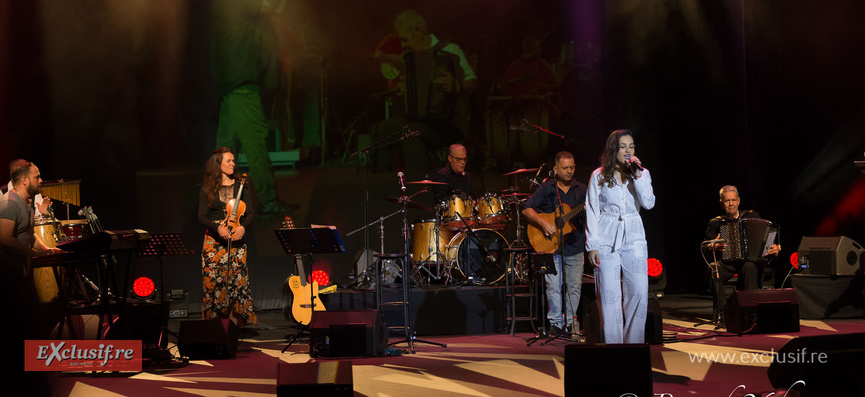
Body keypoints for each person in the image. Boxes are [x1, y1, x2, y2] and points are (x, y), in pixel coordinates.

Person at [211, 0, 294, 216]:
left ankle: (221, 201)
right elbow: (271, 5)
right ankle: (268, 199)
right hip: (241, 84)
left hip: (231, 82)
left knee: (226, 147)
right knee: (255, 140)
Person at [372, 9, 478, 175]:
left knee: (411, 132)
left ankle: (420, 187)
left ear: (418, 32)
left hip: (450, 123)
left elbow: (472, 83)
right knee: (381, 128)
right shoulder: (411, 59)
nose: (404, 45)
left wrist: (456, 85)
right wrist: (406, 91)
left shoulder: (450, 49)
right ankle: (380, 182)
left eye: (405, 39)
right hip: (422, 121)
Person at [586, 130, 655, 344]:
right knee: (609, 296)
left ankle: (633, 347)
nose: (628, 150)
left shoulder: (641, 174)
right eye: (623, 146)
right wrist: (592, 245)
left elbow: (649, 203)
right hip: (606, 238)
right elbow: (592, 209)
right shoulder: (598, 175)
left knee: (639, 293)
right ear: (613, 149)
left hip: (634, 238)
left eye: (632, 146)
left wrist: (638, 176)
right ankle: (613, 347)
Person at [0, 160, 61, 397]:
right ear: (24, 180)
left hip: (18, 274)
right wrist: (32, 254)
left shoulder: (26, 203)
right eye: (37, 177)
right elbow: (4, 238)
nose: (41, 180)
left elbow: (28, 234)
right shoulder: (9, 203)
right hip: (6, 277)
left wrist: (45, 249)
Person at [522, 151, 588, 337]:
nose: (569, 171)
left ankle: (570, 323)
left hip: (574, 245)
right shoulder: (547, 188)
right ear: (555, 169)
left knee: (574, 286)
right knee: (553, 286)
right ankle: (555, 323)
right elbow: (527, 209)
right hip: (550, 245)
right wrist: (544, 223)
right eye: (565, 168)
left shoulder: (582, 189)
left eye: (572, 167)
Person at [197, 147, 259, 327]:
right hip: (214, 242)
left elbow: (251, 214)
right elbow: (201, 217)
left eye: (233, 161)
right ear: (218, 164)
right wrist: (218, 228)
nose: (233, 164)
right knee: (213, 283)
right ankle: (214, 325)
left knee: (236, 283)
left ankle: (234, 326)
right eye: (229, 161)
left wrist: (243, 227)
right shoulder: (207, 188)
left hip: (237, 240)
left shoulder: (242, 185)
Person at [703, 185, 780, 290]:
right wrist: (711, 246)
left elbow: (766, 240)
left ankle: (750, 304)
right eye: (727, 201)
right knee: (713, 268)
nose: (731, 204)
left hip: (748, 262)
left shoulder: (752, 216)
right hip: (727, 264)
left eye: (733, 200)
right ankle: (720, 306)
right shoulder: (716, 223)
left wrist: (774, 247)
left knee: (749, 266)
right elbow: (704, 246)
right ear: (721, 203)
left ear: (738, 201)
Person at [499, 35, 560, 166]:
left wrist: (545, 88)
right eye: (531, 47)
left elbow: (556, 86)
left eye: (536, 47)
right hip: (518, 110)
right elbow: (505, 88)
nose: (535, 50)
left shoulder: (543, 66)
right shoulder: (515, 67)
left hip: (539, 108)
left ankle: (540, 158)